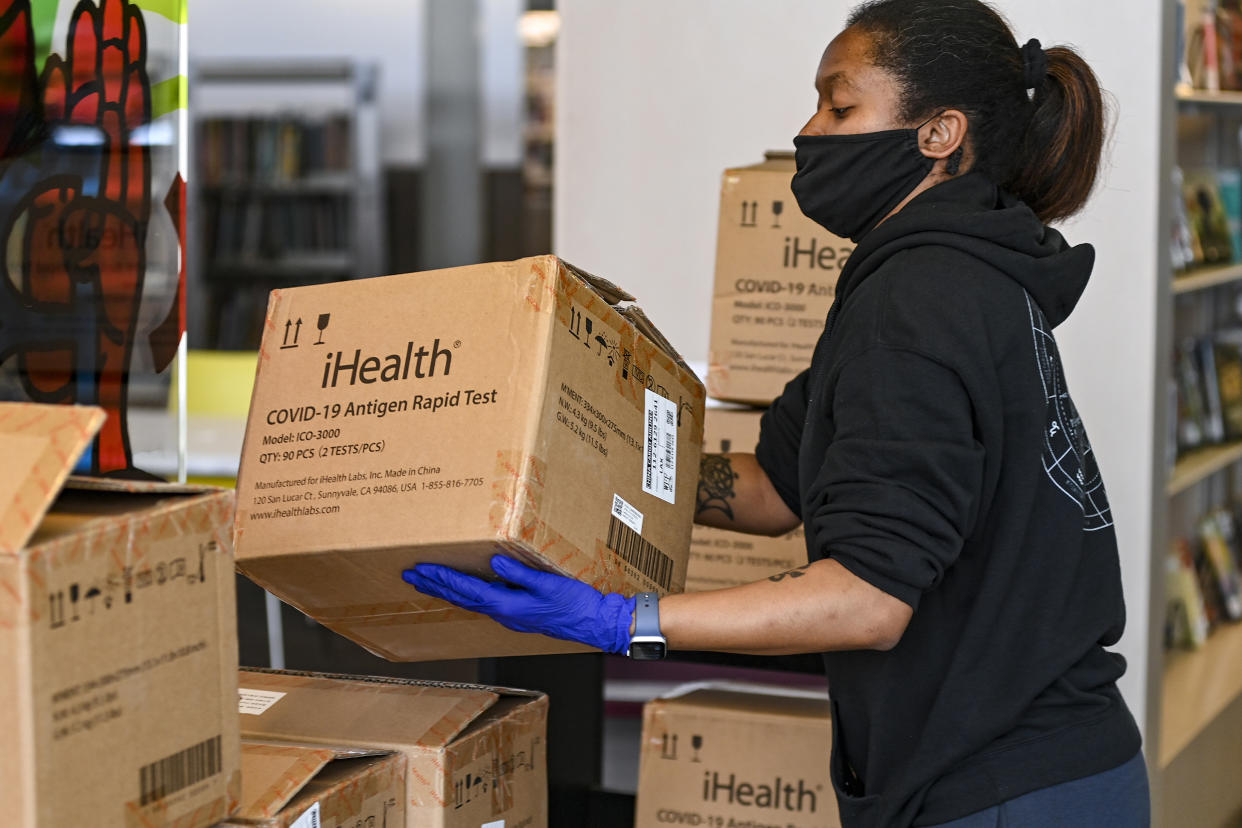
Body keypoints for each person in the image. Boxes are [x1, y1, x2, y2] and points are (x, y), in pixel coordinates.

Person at [402, 1, 1150, 825]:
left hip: (1010, 789)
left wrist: (627, 622)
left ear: (939, 134)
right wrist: (573, 477)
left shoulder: (922, 299)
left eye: (840, 105)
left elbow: (868, 599)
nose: (810, 130)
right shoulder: (936, 276)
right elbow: (772, 490)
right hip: (1025, 767)